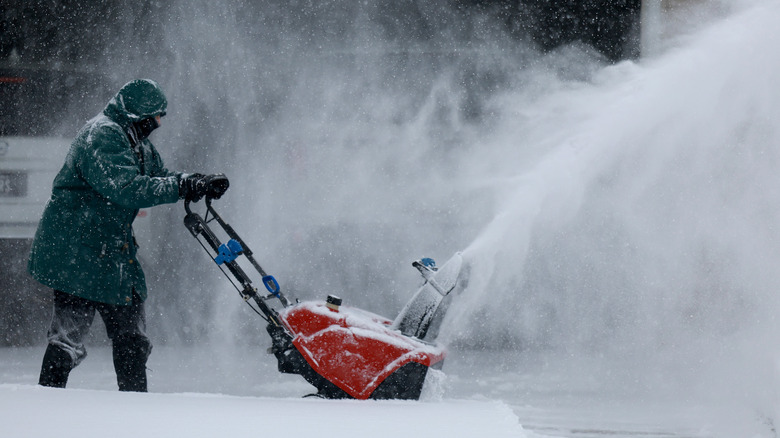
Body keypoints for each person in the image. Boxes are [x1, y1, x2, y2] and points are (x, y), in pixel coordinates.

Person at [27, 78, 228, 392]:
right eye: (155, 117)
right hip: (77, 250)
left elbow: (158, 176)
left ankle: (135, 407)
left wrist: (195, 181)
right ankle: (48, 401)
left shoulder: (136, 141)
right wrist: (181, 188)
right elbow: (127, 187)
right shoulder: (101, 135)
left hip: (113, 253)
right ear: (137, 115)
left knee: (132, 335)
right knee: (68, 337)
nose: (159, 123)